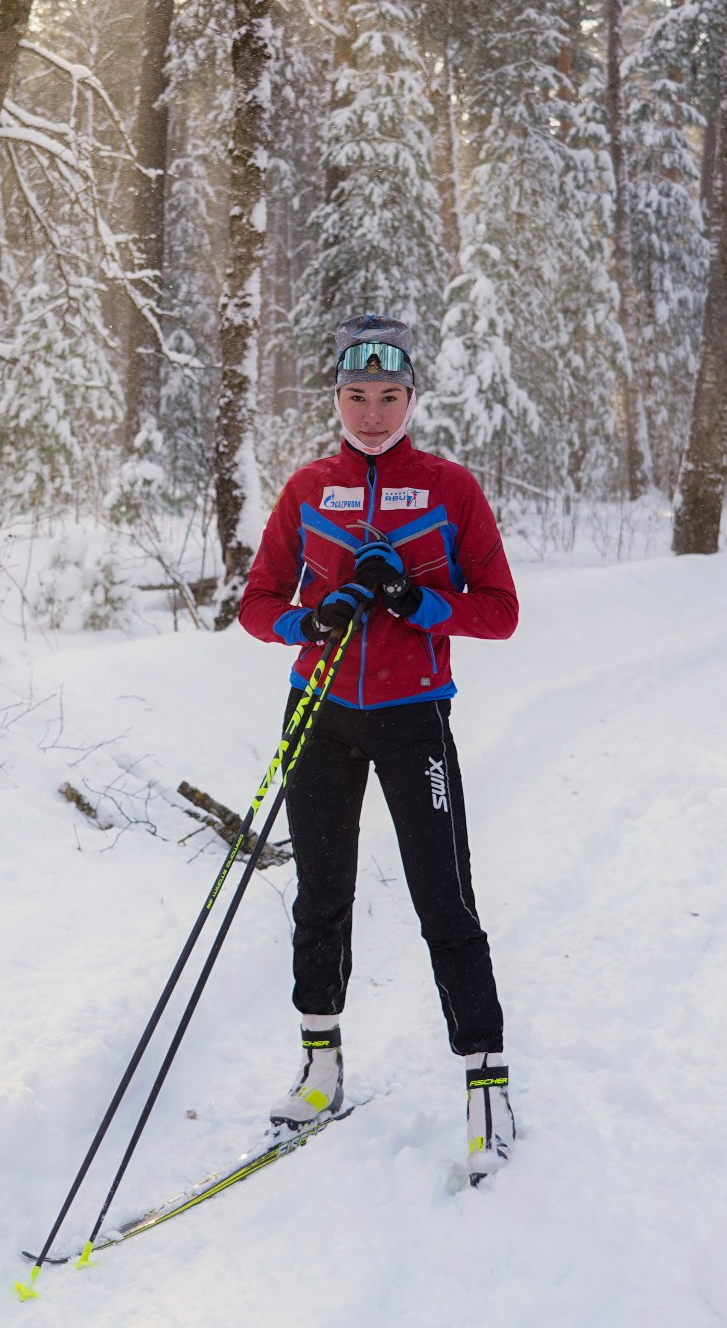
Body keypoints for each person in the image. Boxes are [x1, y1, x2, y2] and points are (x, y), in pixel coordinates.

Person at [236, 314, 521, 1182]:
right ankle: (320, 1067)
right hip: (318, 708)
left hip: (413, 715)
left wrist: (417, 601)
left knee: (445, 897)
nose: (370, 414)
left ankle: (485, 1084)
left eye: (387, 397)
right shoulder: (307, 489)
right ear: (336, 398)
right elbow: (255, 605)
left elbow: (499, 611)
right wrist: (306, 619)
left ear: (411, 399)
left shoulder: (448, 487)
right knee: (320, 893)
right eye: (355, 397)